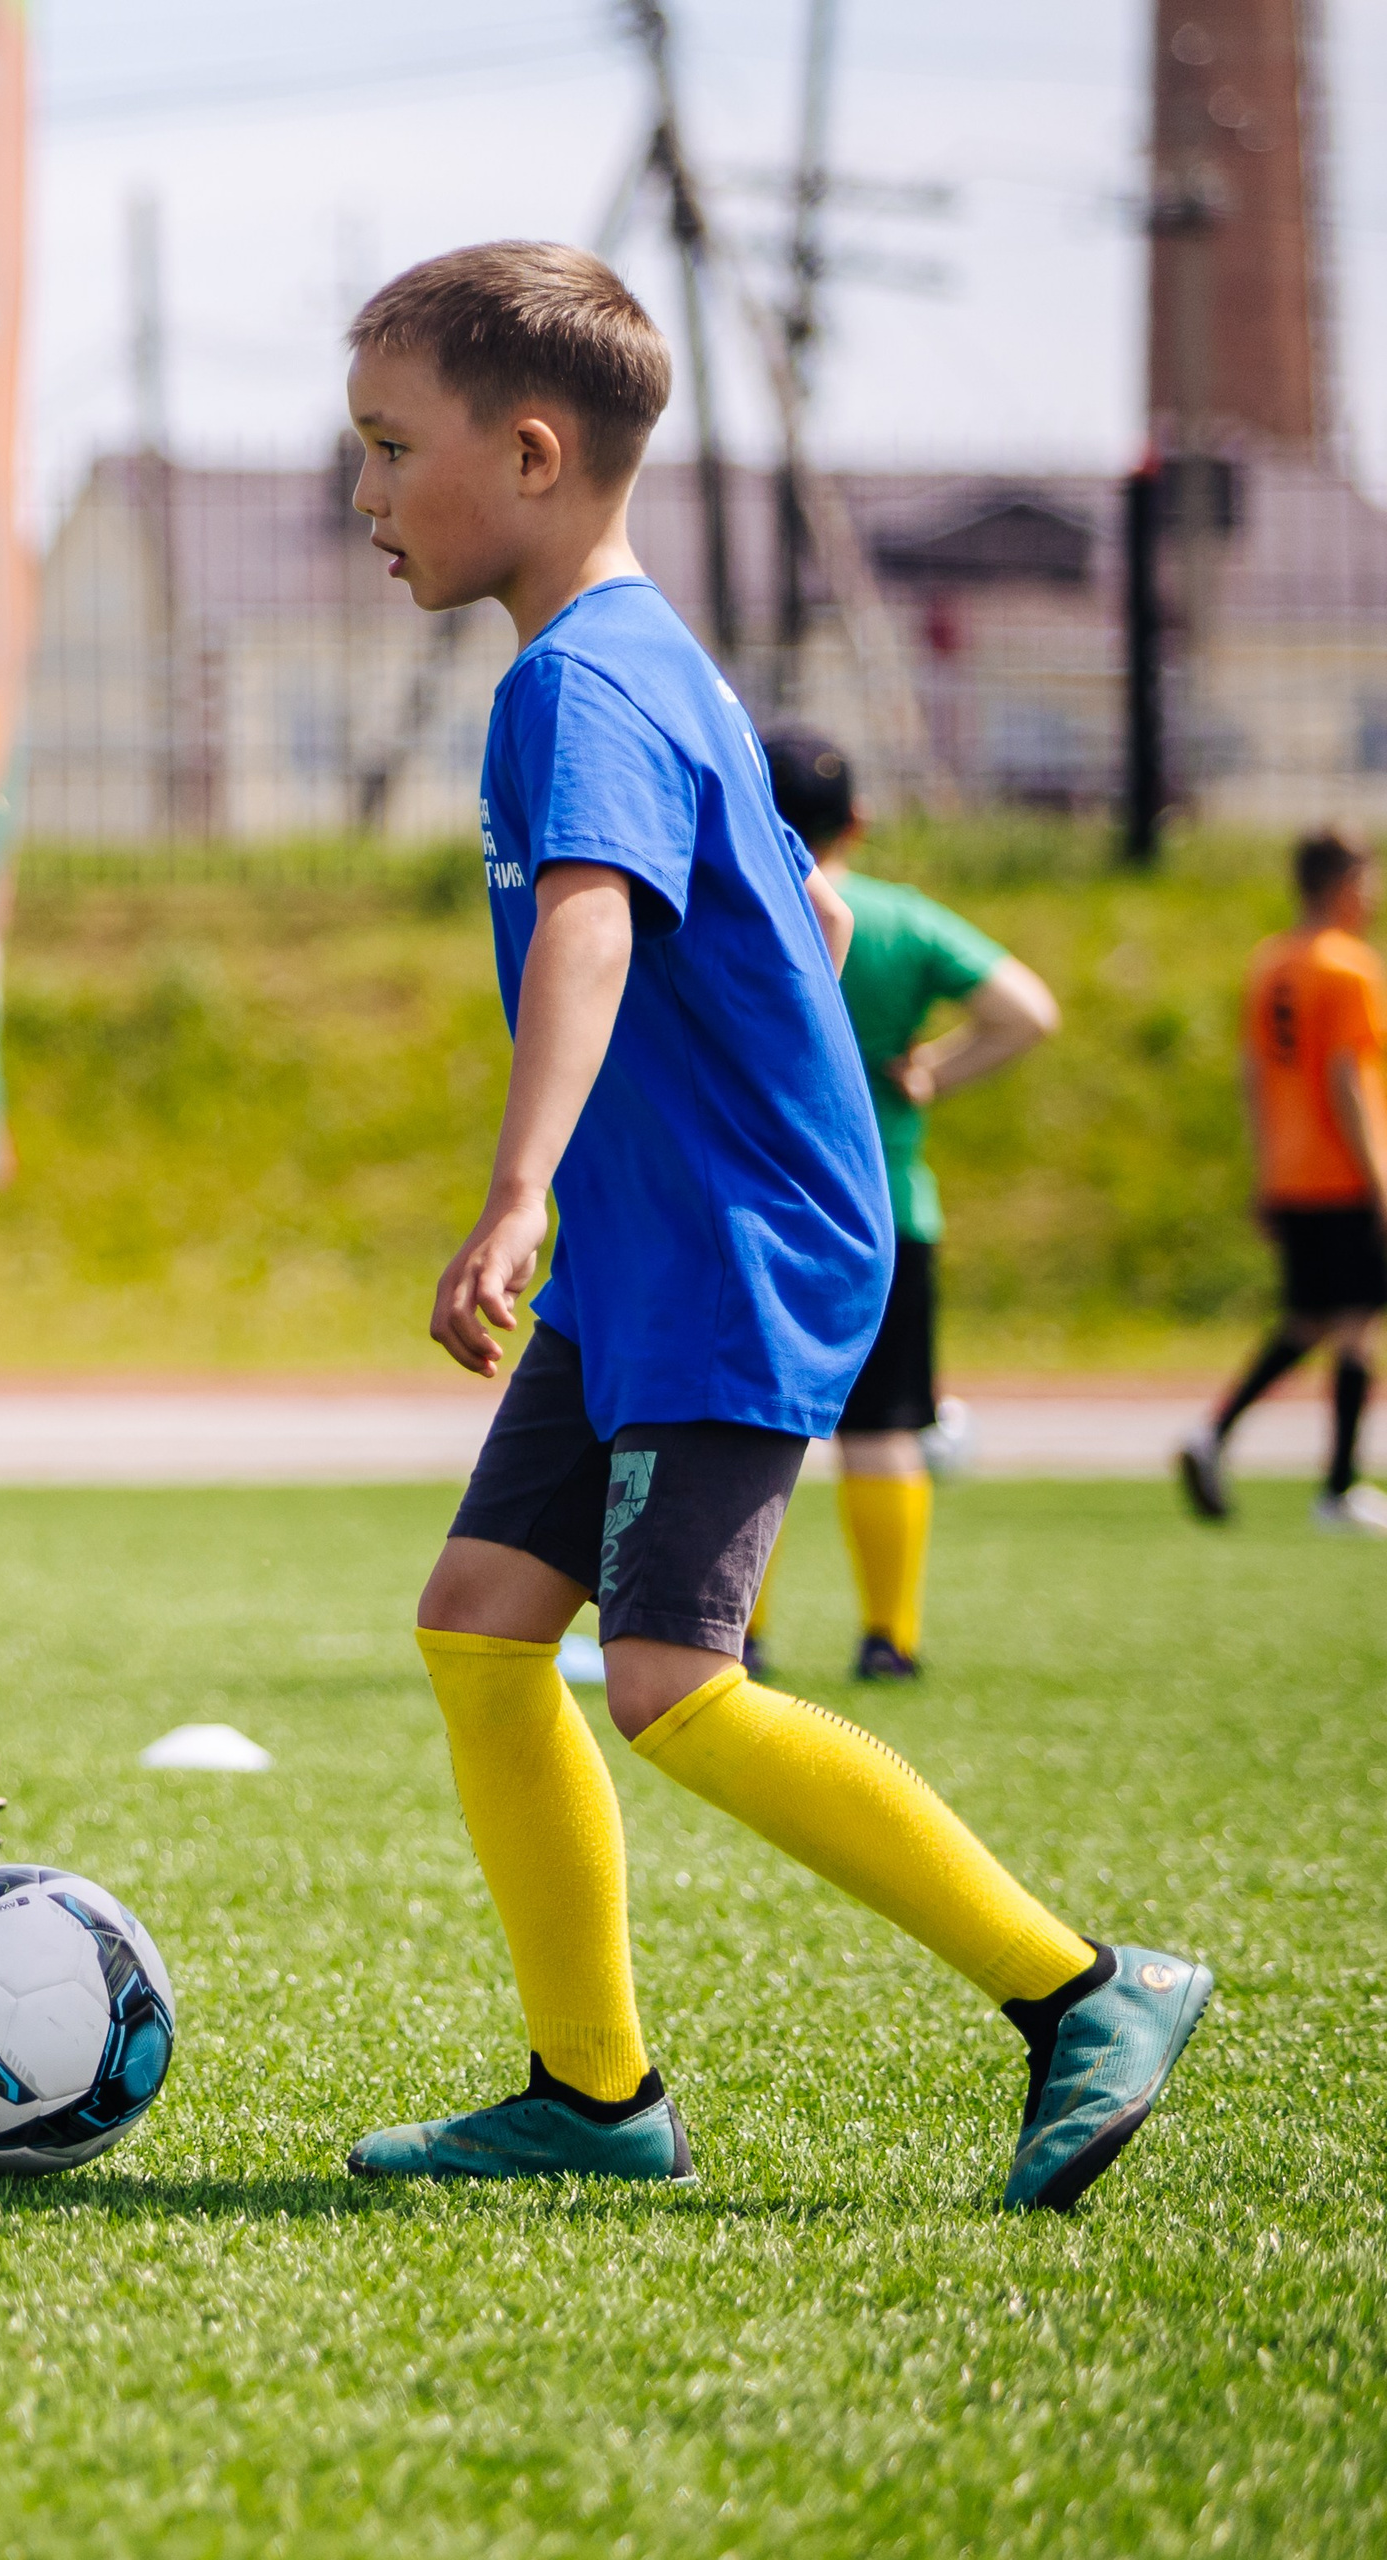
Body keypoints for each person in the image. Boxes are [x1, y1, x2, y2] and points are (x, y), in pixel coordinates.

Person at [335, 243, 1210, 2207]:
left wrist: (508, 1191)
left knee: (670, 1683)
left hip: (727, 1244)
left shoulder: (580, 681)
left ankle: (1076, 1984)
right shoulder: (639, 662)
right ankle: (588, 2090)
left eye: (391, 450)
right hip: (655, 1241)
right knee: (483, 1627)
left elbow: (588, 921)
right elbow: (752, 913)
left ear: (535, 451)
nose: (366, 498)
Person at [759, 727, 1060, 1679]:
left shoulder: (743, 902)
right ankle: (889, 1638)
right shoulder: (903, 919)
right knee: (885, 1427)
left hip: (762, 1206)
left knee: (749, 1429)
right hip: (884, 1205)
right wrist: (932, 1070)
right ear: (860, 819)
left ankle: (734, 1634)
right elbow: (1028, 1012)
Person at [1183, 828, 1387, 1534]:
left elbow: (1252, 1076)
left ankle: (1214, 1435)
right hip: (1343, 1174)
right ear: (1342, 884)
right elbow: (1347, 1081)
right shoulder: (1350, 967)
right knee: (1356, 1326)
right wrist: (1381, 1178)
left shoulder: (1272, 963)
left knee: (1312, 1320)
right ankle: (1338, 1489)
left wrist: (1266, 1169)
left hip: (1291, 1170)